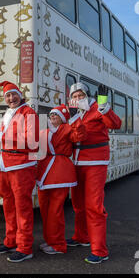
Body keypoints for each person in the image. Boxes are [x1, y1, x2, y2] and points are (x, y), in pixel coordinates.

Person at [67, 83, 122, 264]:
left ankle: (100, 250)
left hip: (95, 162)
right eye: (74, 96)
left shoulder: (97, 108)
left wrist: (104, 106)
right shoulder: (73, 114)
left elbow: (115, 124)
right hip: (76, 162)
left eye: (80, 94)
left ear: (86, 94)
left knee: (94, 206)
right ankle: (81, 237)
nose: (77, 98)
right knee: (78, 204)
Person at [0, 81, 39, 263]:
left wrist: (2, 138)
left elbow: (32, 141)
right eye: (8, 96)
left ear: (20, 94)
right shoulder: (9, 113)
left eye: (13, 94)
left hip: (21, 165)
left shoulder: (29, 113)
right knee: (8, 206)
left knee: (22, 208)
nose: (11, 98)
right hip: (5, 163)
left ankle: (25, 247)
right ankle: (11, 241)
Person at [37, 104, 87, 255]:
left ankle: (58, 244)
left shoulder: (67, 129)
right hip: (44, 171)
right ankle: (50, 240)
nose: (52, 117)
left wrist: (75, 118)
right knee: (45, 209)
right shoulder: (44, 131)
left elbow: (79, 136)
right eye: (51, 115)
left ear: (63, 118)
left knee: (55, 210)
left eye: (56, 115)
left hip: (60, 172)